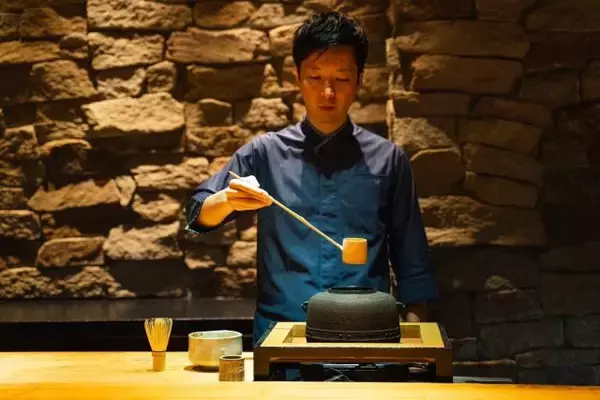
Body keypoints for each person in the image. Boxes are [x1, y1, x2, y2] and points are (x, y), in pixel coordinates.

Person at [186, 11, 439, 346]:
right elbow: (198, 215)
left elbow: (413, 269)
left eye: (342, 79)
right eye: (315, 77)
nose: (328, 93)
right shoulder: (266, 153)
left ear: (359, 80)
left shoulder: (389, 160)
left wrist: (417, 353)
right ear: (297, 77)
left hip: (368, 343)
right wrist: (227, 200)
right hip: (283, 341)